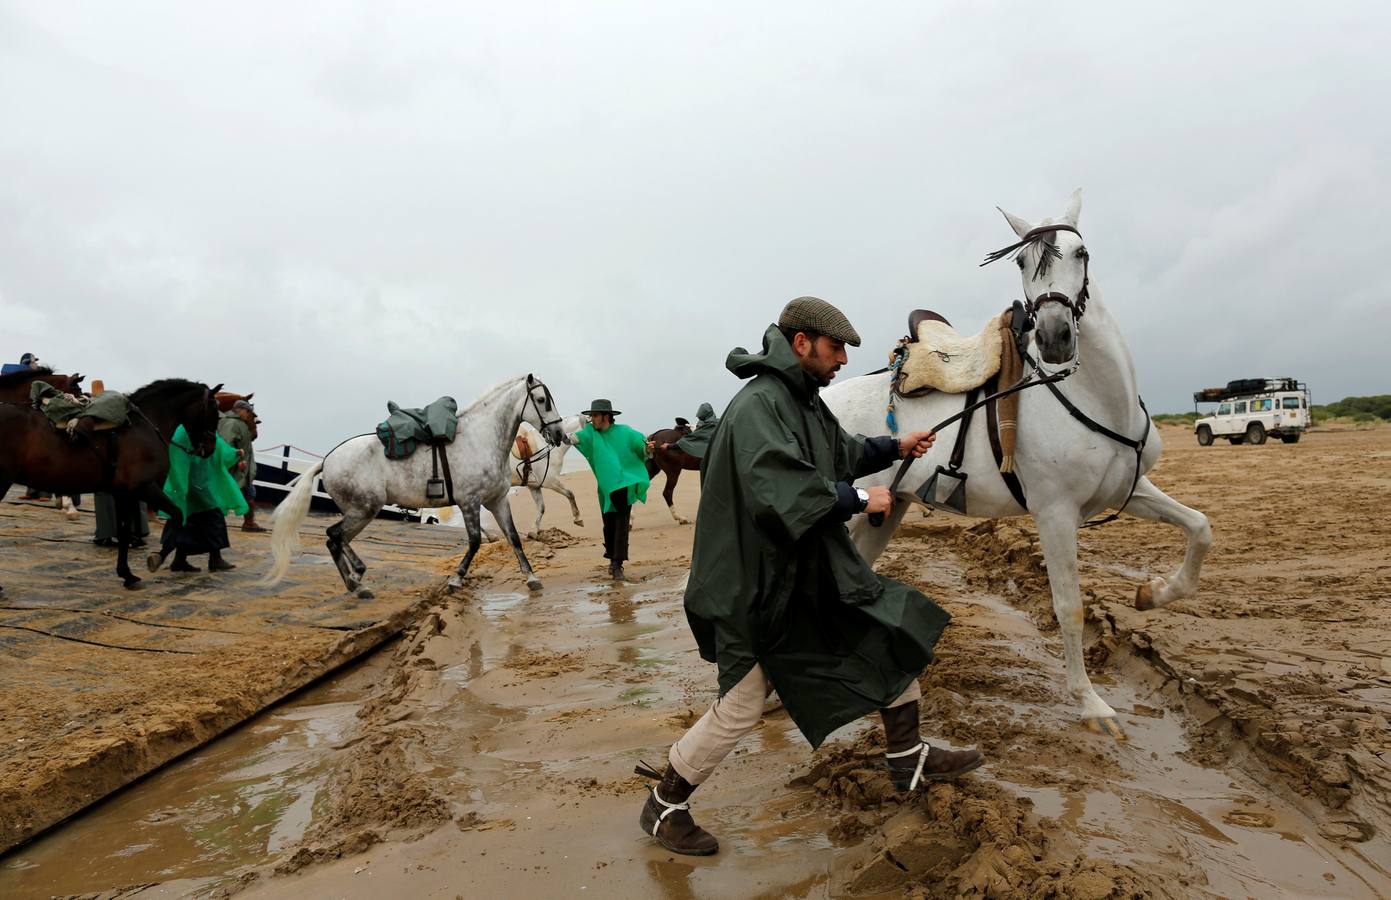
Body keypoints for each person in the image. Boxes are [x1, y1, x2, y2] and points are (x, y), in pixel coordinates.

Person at [636, 297, 984, 856]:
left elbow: (839, 451)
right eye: (836, 347)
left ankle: (907, 754)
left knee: (882, 630)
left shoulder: (800, 401)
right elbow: (783, 489)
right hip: (751, 585)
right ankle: (664, 803)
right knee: (745, 704)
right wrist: (857, 497)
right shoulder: (759, 406)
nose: (844, 358)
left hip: (794, 575)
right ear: (802, 343)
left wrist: (893, 446)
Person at [147, 425, 247, 573]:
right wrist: (235, 453)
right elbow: (217, 447)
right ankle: (215, 559)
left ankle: (178, 560)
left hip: (183, 483)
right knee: (214, 517)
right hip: (199, 482)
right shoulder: (200, 428)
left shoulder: (179, 431)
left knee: (184, 519)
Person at [572, 399, 650, 581]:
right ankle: (612, 559)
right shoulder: (591, 433)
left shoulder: (625, 432)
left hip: (622, 484)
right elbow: (575, 439)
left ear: (606, 416)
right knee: (608, 525)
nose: (592, 419)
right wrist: (560, 437)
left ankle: (618, 564)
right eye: (591, 416)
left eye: (595, 415)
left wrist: (648, 448)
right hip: (605, 489)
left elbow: (642, 448)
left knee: (621, 524)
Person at [217, 399, 264, 532]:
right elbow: (227, 444)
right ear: (241, 410)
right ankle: (219, 522)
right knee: (225, 493)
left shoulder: (238, 423)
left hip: (241, 467)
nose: (249, 415)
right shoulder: (231, 423)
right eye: (248, 412)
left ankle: (248, 523)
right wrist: (236, 460)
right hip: (234, 467)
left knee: (249, 492)